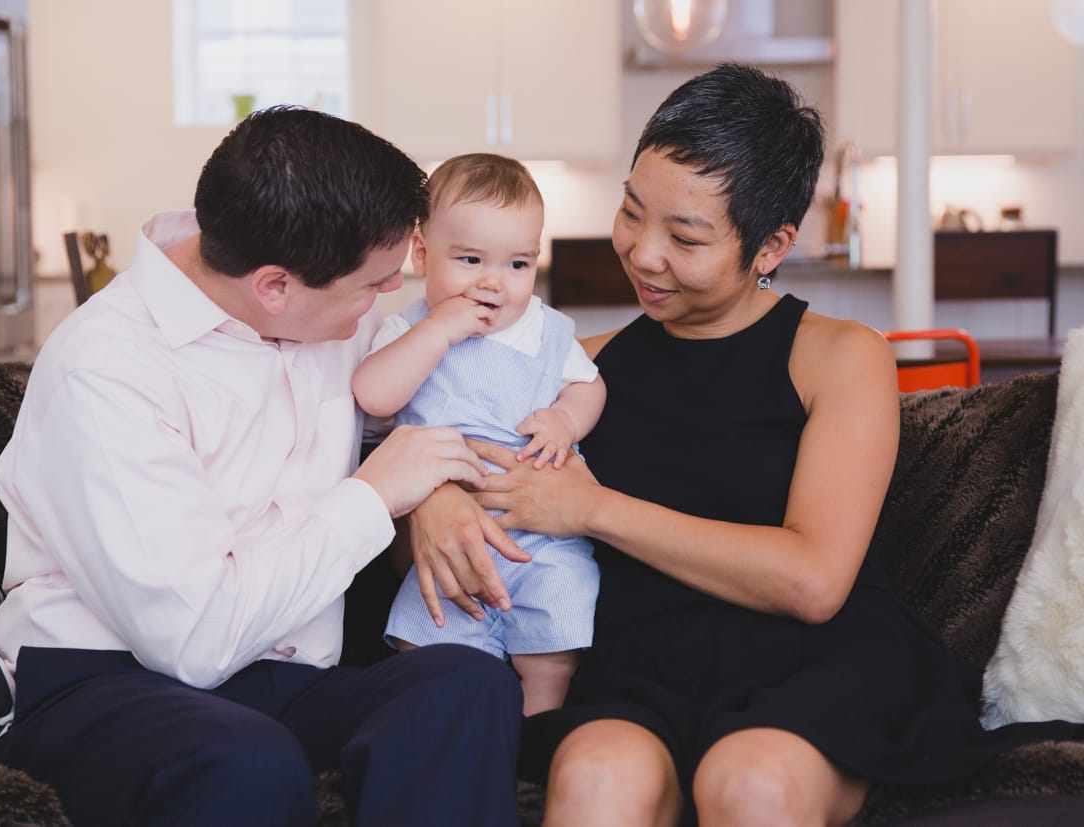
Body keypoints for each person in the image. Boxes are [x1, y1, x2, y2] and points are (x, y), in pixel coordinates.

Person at [403, 64, 1084, 826]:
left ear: (770, 246)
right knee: (596, 780)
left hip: (814, 664)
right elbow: (439, 432)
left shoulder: (839, 355)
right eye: (632, 212)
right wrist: (430, 503)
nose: (643, 253)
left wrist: (594, 509)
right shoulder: (572, 366)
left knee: (749, 783)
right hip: (639, 666)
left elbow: (813, 579)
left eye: (685, 236)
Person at [0, 106, 523, 827]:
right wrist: (377, 495)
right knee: (245, 761)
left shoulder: (320, 299)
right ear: (275, 286)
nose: (389, 300)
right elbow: (194, 641)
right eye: (373, 285)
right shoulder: (106, 367)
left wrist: (438, 493)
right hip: (108, 680)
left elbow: (450, 379)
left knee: (466, 682)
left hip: (286, 675)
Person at [351, 153, 605, 715]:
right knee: (431, 643)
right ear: (421, 254)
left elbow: (589, 386)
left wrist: (564, 419)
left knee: (551, 649)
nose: (494, 283)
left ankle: (537, 729)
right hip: (445, 538)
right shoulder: (408, 328)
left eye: (518, 265)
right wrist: (440, 329)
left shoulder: (545, 329)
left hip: (543, 536)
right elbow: (375, 395)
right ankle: (452, 727)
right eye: (470, 260)